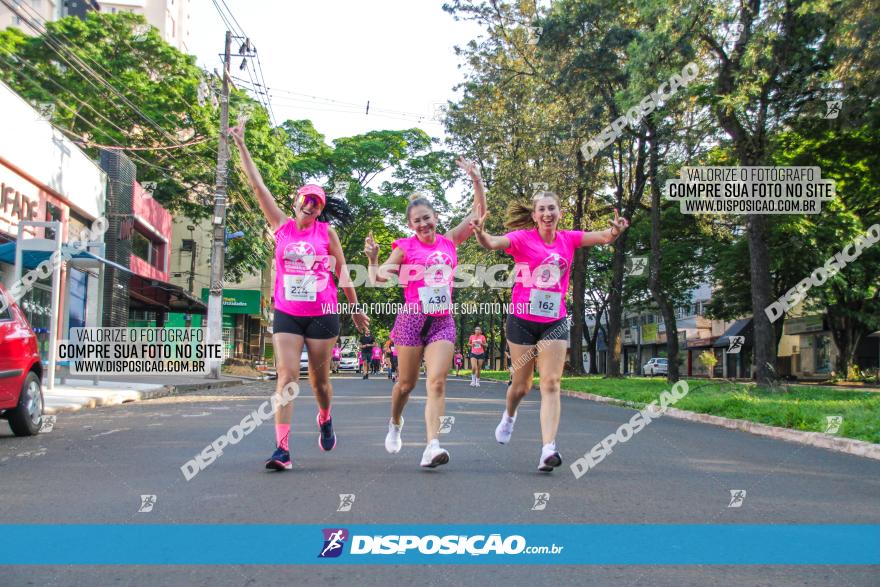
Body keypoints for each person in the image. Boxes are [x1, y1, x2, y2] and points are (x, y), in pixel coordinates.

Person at [229, 120, 369, 472]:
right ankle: (282, 449)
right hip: (288, 312)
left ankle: (324, 417)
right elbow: (258, 187)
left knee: (320, 382)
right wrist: (241, 144)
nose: (310, 206)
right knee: (287, 376)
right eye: (307, 200)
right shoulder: (281, 226)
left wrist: (354, 309)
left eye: (317, 203)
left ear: (321, 209)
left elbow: (342, 271)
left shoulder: (327, 234)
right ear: (297, 201)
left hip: (323, 314)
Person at [470, 190, 628, 471]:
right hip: (521, 320)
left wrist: (614, 232)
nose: (547, 214)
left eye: (552, 208)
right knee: (521, 386)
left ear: (559, 213)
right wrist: (481, 234)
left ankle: (548, 449)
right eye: (541, 209)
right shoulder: (522, 239)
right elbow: (493, 243)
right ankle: (509, 416)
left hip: (555, 320)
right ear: (534, 216)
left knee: (551, 383)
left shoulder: (568, 238)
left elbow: (603, 237)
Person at [364, 157, 486, 468]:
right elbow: (379, 277)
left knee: (437, 381)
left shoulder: (449, 241)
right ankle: (395, 421)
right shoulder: (405, 247)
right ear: (410, 225)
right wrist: (373, 259)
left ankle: (432, 445)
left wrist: (476, 180)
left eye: (427, 218)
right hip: (411, 320)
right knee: (406, 384)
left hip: (442, 320)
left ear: (435, 217)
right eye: (417, 221)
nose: (423, 224)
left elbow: (477, 215)